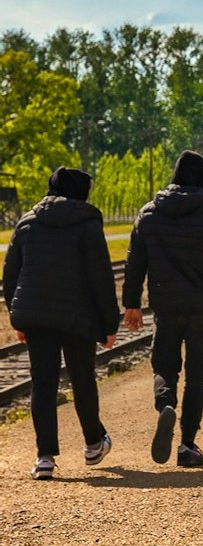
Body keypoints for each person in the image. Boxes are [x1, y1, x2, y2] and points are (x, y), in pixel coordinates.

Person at [122, 150, 203, 468]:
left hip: (165, 305)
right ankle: (187, 445)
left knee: (164, 368)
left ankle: (165, 407)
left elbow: (135, 264)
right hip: (202, 307)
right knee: (197, 376)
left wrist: (131, 304)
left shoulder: (148, 214)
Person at [2, 167, 120, 479]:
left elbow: (11, 274)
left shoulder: (27, 222)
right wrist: (109, 324)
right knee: (83, 379)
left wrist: (18, 315)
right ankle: (94, 444)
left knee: (43, 383)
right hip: (77, 316)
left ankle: (45, 458)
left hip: (37, 317)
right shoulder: (87, 223)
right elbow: (100, 277)